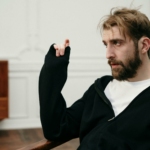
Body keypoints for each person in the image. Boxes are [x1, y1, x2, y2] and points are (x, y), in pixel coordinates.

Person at [39, 7, 150, 150]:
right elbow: (56, 129)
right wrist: (53, 70)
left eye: (117, 43)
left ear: (144, 45)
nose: (108, 54)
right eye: (106, 44)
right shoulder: (101, 88)